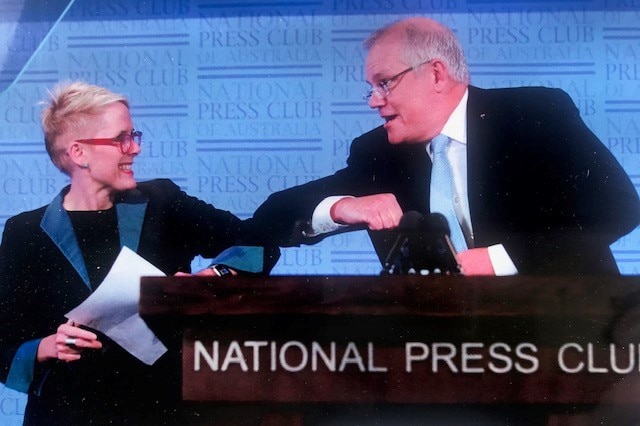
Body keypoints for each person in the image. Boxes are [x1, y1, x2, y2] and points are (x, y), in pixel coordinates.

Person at [252, 17, 640, 276]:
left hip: (566, 337)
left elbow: (618, 209)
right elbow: (271, 216)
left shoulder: (533, 113)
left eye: (384, 83)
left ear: (436, 73)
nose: (373, 100)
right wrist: (344, 206)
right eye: (370, 88)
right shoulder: (378, 153)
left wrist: (491, 261)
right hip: (446, 353)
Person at [0, 81, 279, 425]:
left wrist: (213, 278)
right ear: (78, 153)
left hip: (166, 409)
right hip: (68, 412)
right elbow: (5, 345)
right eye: (121, 139)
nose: (134, 149)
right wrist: (46, 346)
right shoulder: (24, 232)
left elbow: (260, 242)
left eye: (135, 135)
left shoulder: (163, 201)